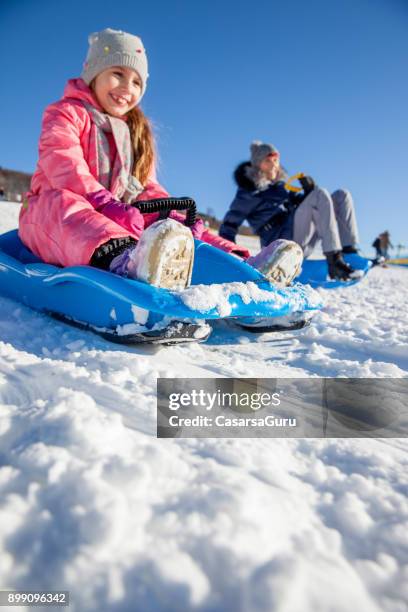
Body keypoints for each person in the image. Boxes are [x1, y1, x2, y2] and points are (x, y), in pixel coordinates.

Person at [19, 30, 302, 291]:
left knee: (168, 222)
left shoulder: (136, 133)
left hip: (117, 216)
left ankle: (246, 268)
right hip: (47, 217)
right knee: (65, 205)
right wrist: (103, 202)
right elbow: (63, 163)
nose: (127, 88)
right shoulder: (66, 112)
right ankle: (128, 262)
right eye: (118, 73)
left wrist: (174, 218)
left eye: (137, 82)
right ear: (93, 72)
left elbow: (146, 187)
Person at [219, 141, 362, 281]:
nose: (274, 165)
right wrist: (233, 258)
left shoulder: (281, 188)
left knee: (341, 195)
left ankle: (348, 251)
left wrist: (308, 191)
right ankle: (334, 260)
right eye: (268, 161)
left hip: (299, 235)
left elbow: (303, 205)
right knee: (319, 194)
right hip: (279, 246)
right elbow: (229, 225)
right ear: (257, 164)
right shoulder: (248, 191)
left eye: (276, 160)